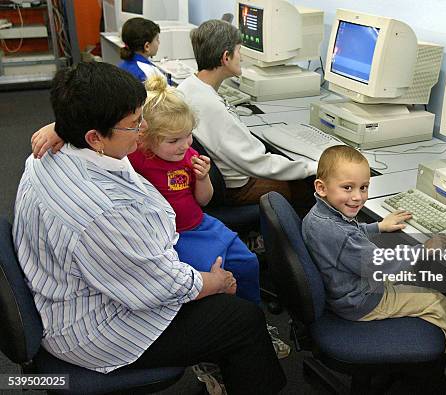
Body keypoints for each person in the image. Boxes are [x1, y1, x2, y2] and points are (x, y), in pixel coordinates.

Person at [14, 61, 285, 394]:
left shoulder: (49, 153)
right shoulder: (103, 214)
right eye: (133, 123)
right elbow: (160, 287)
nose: (142, 129)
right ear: (95, 137)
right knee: (242, 320)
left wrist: (63, 126)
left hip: (70, 292)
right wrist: (213, 282)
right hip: (96, 330)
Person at [301, 145, 446, 383]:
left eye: (363, 187)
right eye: (348, 188)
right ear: (321, 187)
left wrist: (377, 227)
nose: (358, 197)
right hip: (360, 301)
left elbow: (348, 233)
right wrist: (424, 249)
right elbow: (378, 263)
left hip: (341, 288)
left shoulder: (316, 217)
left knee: (411, 276)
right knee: (437, 300)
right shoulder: (339, 233)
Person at [177, 19, 316, 206]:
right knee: (305, 188)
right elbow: (257, 162)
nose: (241, 57)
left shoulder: (188, 86)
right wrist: (311, 167)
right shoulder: (212, 107)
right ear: (226, 57)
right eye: (239, 51)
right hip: (238, 188)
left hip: (219, 175)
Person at [118, 17, 171, 85]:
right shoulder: (148, 75)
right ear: (147, 46)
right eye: (157, 39)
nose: (159, 42)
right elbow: (168, 92)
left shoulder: (122, 65)